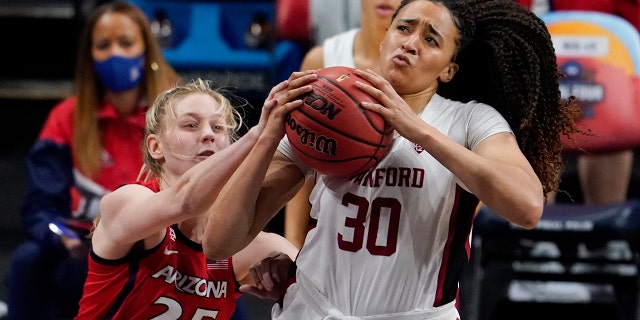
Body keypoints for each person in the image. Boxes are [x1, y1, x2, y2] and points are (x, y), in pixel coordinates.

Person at [203, 0, 580, 318]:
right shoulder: (326, 103)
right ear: (385, 38)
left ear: (449, 69)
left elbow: (528, 207)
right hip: (314, 307)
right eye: (404, 28)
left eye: (431, 39)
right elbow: (219, 242)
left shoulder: (470, 120)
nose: (411, 43)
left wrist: (417, 130)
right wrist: (267, 137)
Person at [4, 2, 181, 319]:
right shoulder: (66, 118)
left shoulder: (177, 113)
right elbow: (40, 207)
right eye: (103, 45)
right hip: (82, 248)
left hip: (161, 247)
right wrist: (63, 238)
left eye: (126, 43)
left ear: (146, 49)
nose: (115, 53)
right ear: (90, 57)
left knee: (217, 267)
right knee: (28, 260)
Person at [74, 78, 300, 319]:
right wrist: (259, 136)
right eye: (190, 125)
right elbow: (187, 201)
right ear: (155, 147)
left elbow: (321, 283)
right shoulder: (127, 201)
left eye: (218, 128)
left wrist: (289, 277)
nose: (208, 135)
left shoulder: (242, 243)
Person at [285, 0, 403, 249]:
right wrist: (292, 245)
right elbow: (298, 162)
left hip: (401, 238)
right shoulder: (322, 59)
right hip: (331, 235)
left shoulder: (427, 69)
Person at [516, 0, 637, 205]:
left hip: (607, 78)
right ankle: (528, 230)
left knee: (615, 110)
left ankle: (606, 231)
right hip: (530, 82)